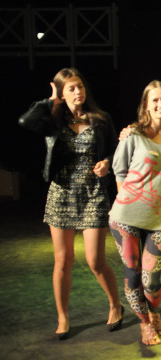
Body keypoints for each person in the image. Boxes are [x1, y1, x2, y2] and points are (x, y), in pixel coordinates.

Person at [18, 68, 122, 339]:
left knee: (95, 261)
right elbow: (25, 121)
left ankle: (115, 304)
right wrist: (51, 99)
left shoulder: (101, 119)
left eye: (80, 87)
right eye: (71, 88)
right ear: (62, 93)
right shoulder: (52, 120)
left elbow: (115, 150)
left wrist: (107, 163)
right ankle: (63, 317)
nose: (78, 92)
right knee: (62, 261)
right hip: (61, 193)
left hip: (92, 193)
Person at [109, 81, 161, 346]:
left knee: (151, 280)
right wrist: (129, 203)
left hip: (158, 219)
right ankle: (144, 323)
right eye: (155, 100)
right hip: (126, 216)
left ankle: (154, 312)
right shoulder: (133, 135)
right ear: (146, 105)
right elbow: (119, 171)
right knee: (132, 274)